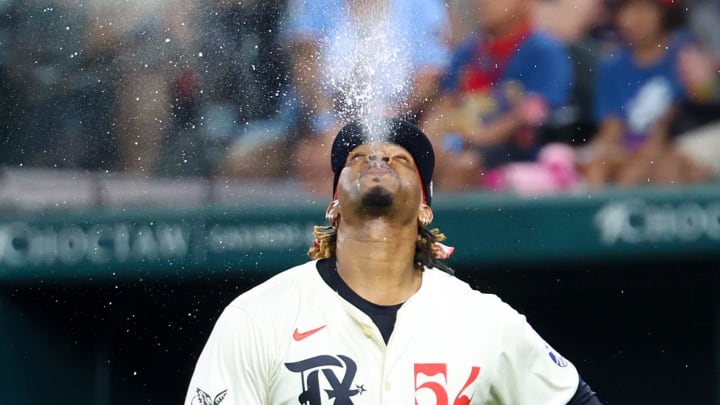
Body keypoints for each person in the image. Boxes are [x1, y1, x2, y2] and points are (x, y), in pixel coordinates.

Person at [184, 117, 602, 404]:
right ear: (333, 204)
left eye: (400, 160)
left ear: (425, 207)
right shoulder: (258, 316)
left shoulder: (485, 320)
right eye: (357, 158)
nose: (377, 159)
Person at [221, 0, 451, 197]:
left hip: (402, 122)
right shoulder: (319, 3)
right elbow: (305, 66)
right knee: (244, 161)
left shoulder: (421, 5)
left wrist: (383, 126)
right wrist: (327, 124)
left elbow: (428, 80)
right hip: (321, 125)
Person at [420, 0, 574, 192]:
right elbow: (443, 106)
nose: (483, 3)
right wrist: (426, 144)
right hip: (463, 143)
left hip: (518, 149)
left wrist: (480, 137)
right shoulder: (467, 52)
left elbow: (534, 110)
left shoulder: (545, 50)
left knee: (464, 166)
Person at [580, 0, 715, 187]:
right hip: (630, 149)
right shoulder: (612, 66)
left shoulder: (686, 51)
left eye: (645, 10)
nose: (636, 19)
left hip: (674, 147)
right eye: (629, 10)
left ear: (662, 13)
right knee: (599, 167)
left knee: (659, 168)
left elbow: (694, 108)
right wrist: (601, 154)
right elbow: (611, 128)